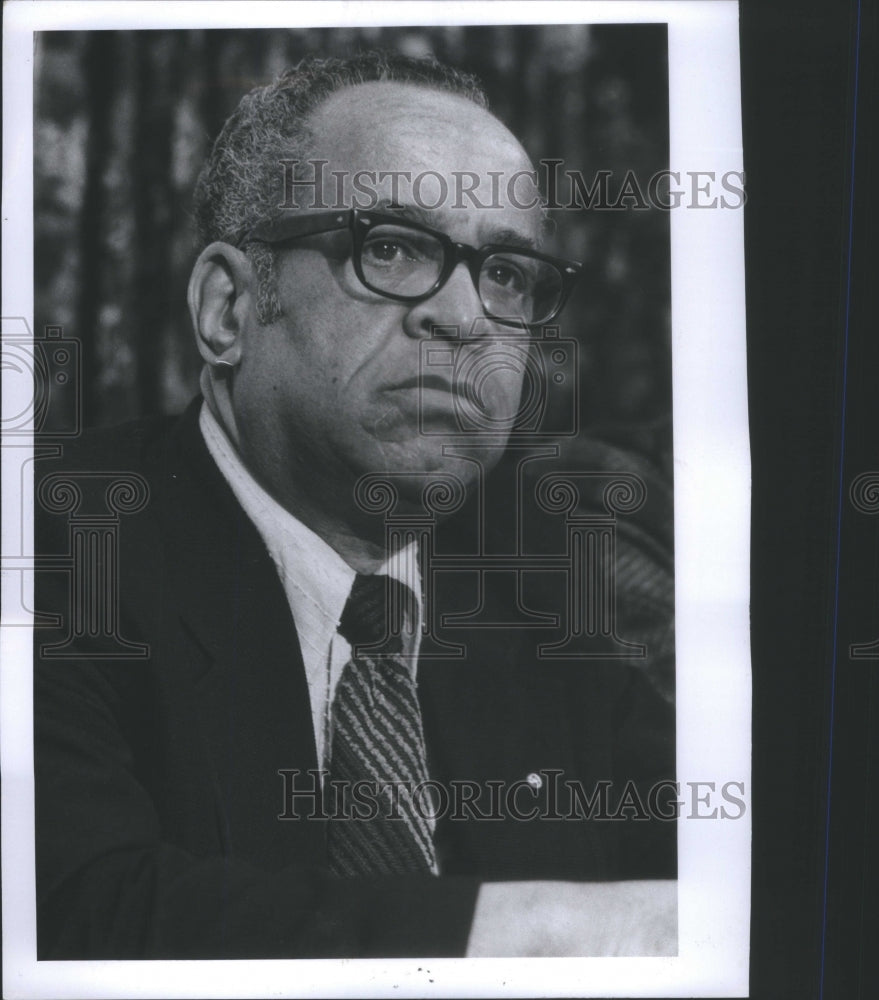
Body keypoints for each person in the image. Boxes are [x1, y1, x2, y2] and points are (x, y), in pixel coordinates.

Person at [34, 51, 676, 959]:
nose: (464, 320)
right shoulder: (55, 545)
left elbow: (741, 873)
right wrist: (554, 936)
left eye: (504, 274)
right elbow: (72, 915)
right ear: (230, 307)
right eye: (393, 248)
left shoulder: (538, 585)